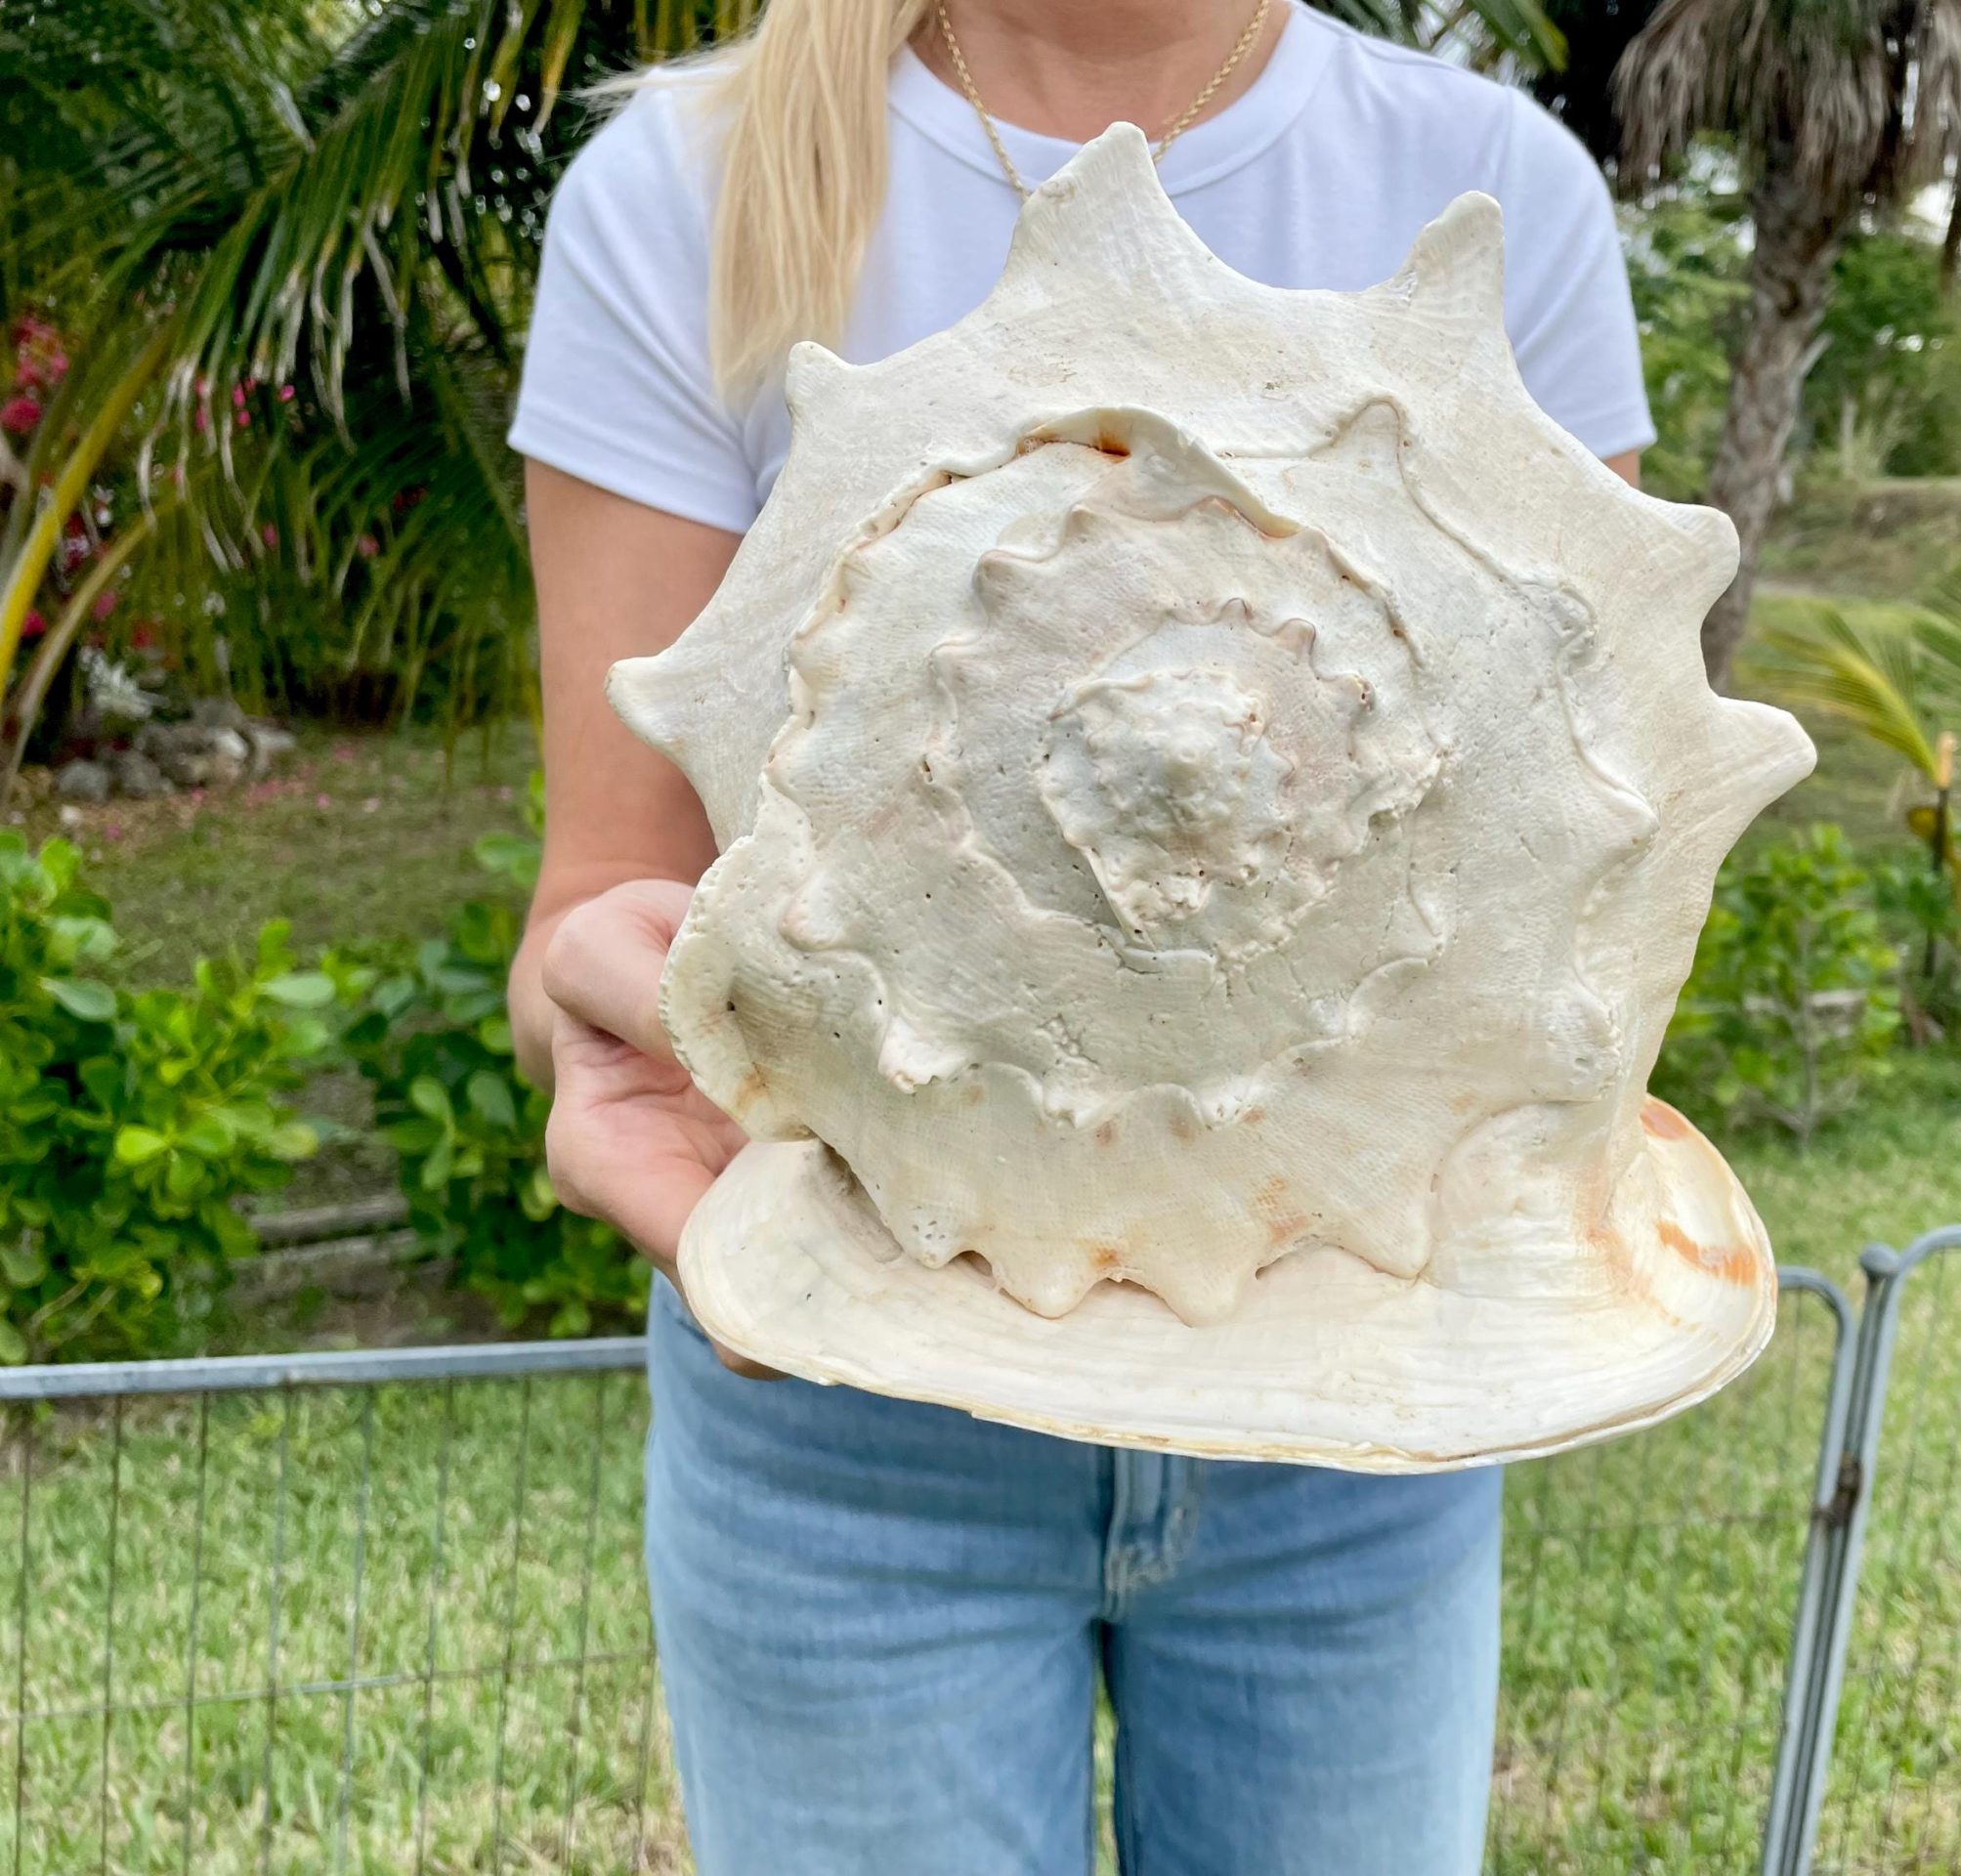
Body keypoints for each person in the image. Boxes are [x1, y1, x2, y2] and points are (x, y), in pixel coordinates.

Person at [505, 2, 1654, 1868]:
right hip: (853, 1403)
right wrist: (614, 1054)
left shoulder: (1487, 192)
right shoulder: (688, 193)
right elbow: (596, 904)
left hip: (1354, 1387)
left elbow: (1594, 835)